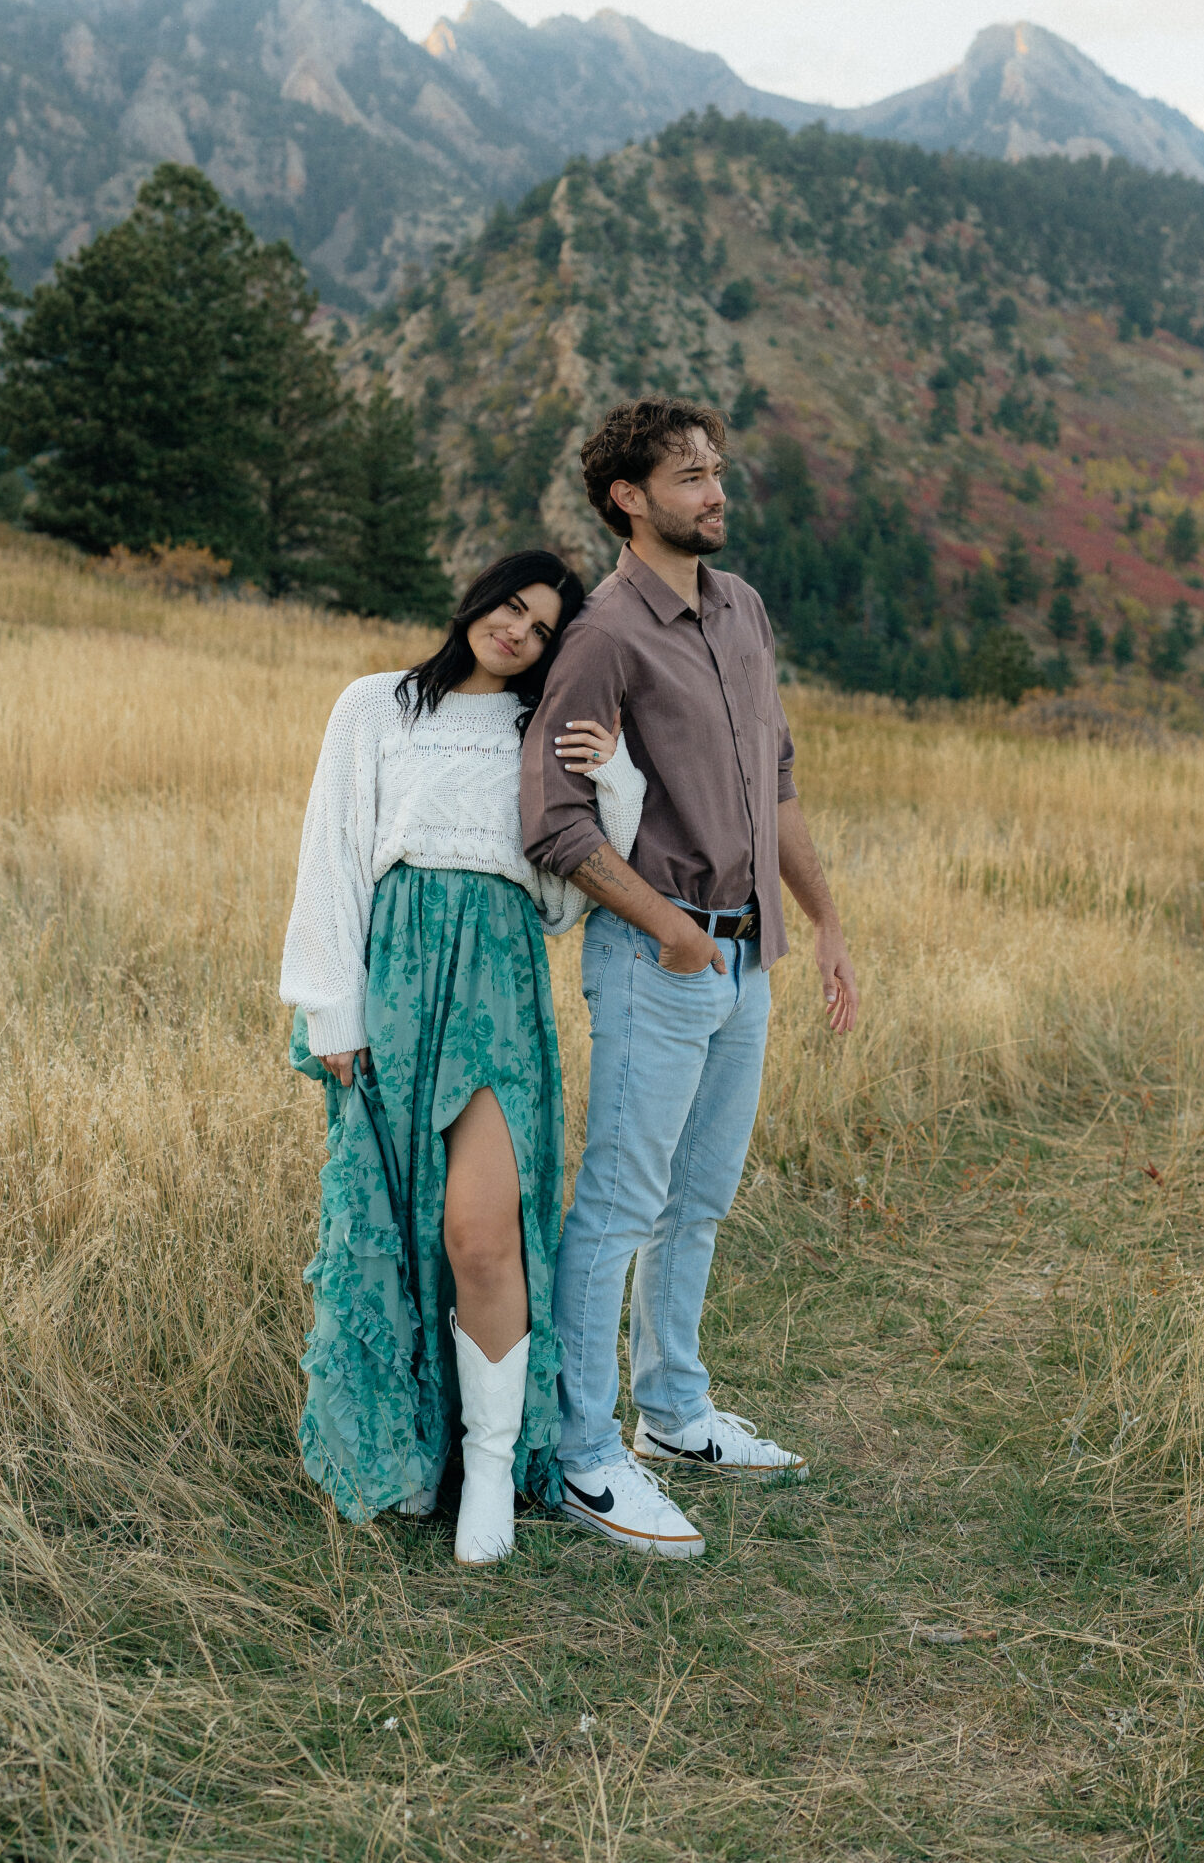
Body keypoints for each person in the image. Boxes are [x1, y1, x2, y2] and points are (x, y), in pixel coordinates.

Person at [523, 398, 859, 1560]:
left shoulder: (742, 608)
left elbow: (779, 778)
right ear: (629, 498)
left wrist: (825, 923)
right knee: (619, 1204)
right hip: (656, 959)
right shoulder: (603, 637)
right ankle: (584, 1454)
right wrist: (670, 930)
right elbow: (554, 821)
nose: (717, 493)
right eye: (690, 477)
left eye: (717, 471)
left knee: (698, 1199)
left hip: (749, 953)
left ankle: (672, 1412)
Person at [281, 549, 643, 1564]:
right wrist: (331, 1009)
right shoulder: (375, 705)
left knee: (481, 1237)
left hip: (498, 985)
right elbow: (331, 853)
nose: (517, 631)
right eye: (509, 606)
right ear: (477, 599)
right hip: (392, 981)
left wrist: (614, 778)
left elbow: (566, 899)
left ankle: (490, 1464)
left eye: (542, 628)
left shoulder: (539, 735)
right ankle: (410, 1455)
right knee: (395, 1228)